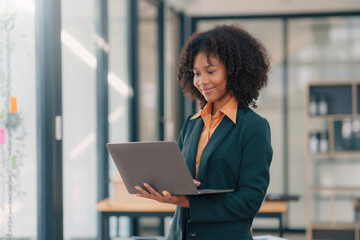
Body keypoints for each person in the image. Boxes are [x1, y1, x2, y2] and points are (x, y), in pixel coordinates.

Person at [135, 25, 273, 240]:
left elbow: (249, 200)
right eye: (197, 73)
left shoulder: (253, 127)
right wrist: (165, 188)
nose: (202, 81)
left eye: (211, 71)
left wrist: (186, 201)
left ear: (234, 71)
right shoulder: (192, 123)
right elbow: (181, 180)